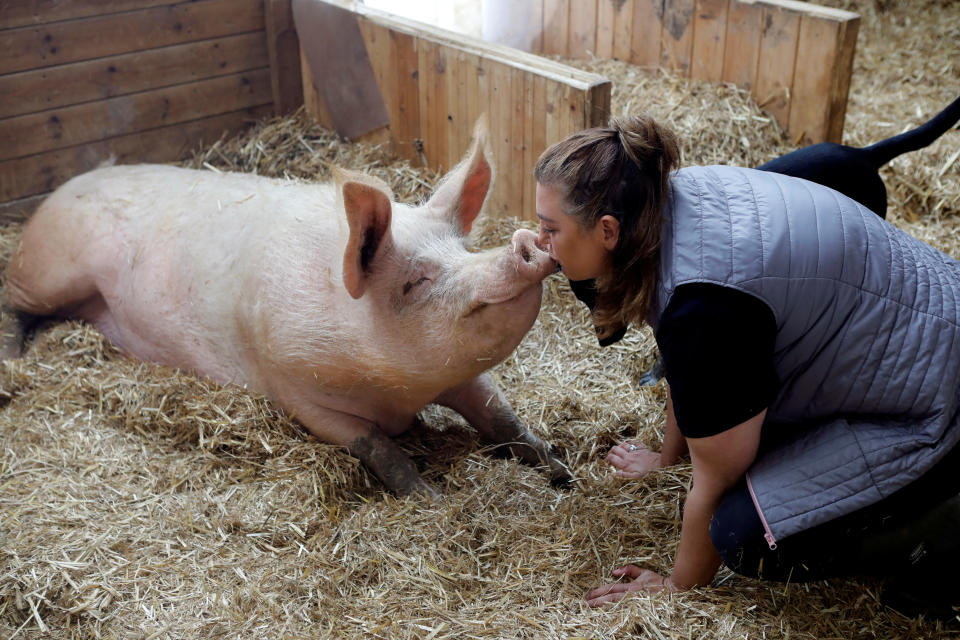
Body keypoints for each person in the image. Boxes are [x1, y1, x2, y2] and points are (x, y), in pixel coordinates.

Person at [533, 114, 960, 619]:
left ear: (607, 231)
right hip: (928, 317)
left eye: (550, 228)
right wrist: (668, 459)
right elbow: (686, 366)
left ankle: (944, 528)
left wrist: (677, 586)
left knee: (745, 533)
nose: (541, 241)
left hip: (938, 397)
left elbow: (717, 473)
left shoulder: (704, 305)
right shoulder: (665, 199)